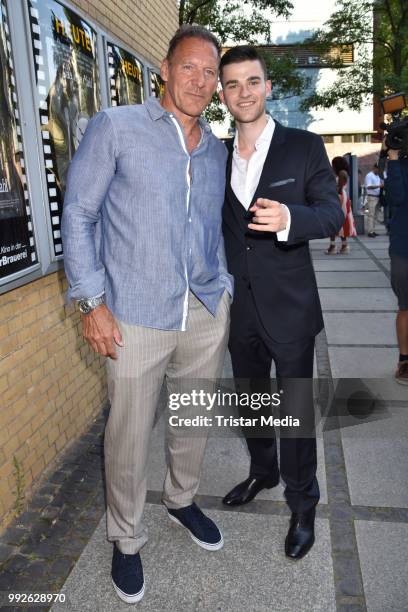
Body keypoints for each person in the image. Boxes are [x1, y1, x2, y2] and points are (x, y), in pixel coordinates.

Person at [61, 25, 233, 603]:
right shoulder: (116, 127)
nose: (201, 81)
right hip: (132, 312)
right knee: (129, 433)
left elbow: (211, 227)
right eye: (190, 68)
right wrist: (91, 303)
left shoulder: (215, 148)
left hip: (204, 310)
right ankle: (126, 539)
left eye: (210, 73)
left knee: (192, 419)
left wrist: (223, 286)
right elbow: (78, 215)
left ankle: (182, 501)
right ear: (163, 69)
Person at [218, 46, 344, 560]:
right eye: (232, 84)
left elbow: (332, 215)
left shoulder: (303, 146)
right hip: (238, 307)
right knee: (251, 404)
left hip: (291, 308)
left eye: (252, 81)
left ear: (268, 87)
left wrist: (290, 219)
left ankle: (303, 504)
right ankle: (262, 472)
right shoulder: (214, 153)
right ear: (222, 94)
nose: (243, 92)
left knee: (293, 412)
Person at [383, 144, 408, 384]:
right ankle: (404, 360)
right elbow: (396, 197)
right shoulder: (399, 167)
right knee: (405, 307)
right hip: (404, 249)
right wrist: (393, 161)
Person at [326, 156, 356, 254]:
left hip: (339, 197)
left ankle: (333, 246)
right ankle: (343, 245)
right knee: (341, 222)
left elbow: (339, 187)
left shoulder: (342, 173)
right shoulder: (343, 172)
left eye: (333, 164)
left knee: (334, 221)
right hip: (342, 197)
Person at [364, 163, 384, 237]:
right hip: (372, 197)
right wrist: (379, 186)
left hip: (377, 197)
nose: (379, 171)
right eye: (378, 169)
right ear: (374, 168)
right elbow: (368, 187)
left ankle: (373, 230)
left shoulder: (377, 176)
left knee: (375, 215)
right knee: (371, 215)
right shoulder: (369, 175)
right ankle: (370, 231)